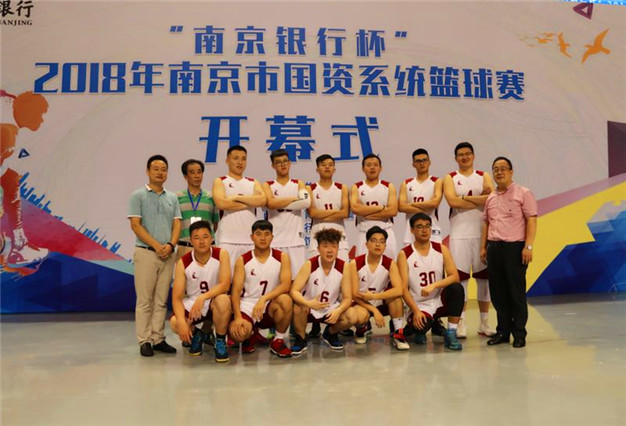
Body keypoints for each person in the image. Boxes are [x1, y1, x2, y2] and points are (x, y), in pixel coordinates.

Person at [481, 157, 537, 348]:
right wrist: (483, 247)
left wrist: (528, 246)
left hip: (515, 249)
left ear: (511, 172)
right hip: (494, 248)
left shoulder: (523, 193)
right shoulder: (491, 197)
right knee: (498, 293)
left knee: (516, 292)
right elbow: (486, 223)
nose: (499, 172)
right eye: (495, 169)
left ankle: (519, 333)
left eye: (503, 168)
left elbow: (531, 220)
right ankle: (503, 332)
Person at [128, 154, 181, 357]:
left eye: (164, 169)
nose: (160, 173)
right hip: (146, 253)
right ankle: (144, 340)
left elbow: (177, 223)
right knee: (145, 300)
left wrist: (171, 245)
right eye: (156, 169)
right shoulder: (138, 196)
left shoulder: (172, 197)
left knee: (161, 300)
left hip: (168, 254)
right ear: (148, 171)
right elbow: (135, 225)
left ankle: (158, 338)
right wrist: (157, 246)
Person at [442, 142, 496, 338]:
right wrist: (478, 198)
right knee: (461, 280)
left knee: (484, 280)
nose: (464, 157)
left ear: (473, 156)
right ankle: (461, 322)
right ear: (455, 158)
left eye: (467, 154)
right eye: (460, 155)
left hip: (481, 234)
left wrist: (464, 198)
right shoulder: (450, 178)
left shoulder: (484, 176)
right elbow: (452, 201)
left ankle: (484, 323)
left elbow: (491, 198)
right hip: (459, 235)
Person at [396, 213, 464, 350]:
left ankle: (451, 333)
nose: (425, 230)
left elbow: (454, 276)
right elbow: (403, 289)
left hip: (438, 300)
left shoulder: (441, 249)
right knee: (420, 329)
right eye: (420, 227)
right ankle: (425, 325)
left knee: (457, 288)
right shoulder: (405, 254)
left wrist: (434, 285)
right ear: (412, 230)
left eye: (427, 226)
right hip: (419, 304)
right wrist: (416, 311)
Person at [228, 220, 294, 358]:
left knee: (286, 300)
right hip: (247, 305)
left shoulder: (282, 257)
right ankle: (250, 334)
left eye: (266, 234)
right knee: (238, 334)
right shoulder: (243, 260)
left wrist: (264, 299)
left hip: (270, 304)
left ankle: (278, 340)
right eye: (258, 234)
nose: (263, 238)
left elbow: (286, 285)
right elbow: (236, 292)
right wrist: (238, 317)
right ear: (252, 237)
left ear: (272, 237)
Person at [169, 220, 231, 362]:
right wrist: (182, 323)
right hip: (193, 304)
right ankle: (198, 333)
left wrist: (203, 298)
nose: (201, 241)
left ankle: (220, 340)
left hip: (214, 300)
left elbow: (225, 285)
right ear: (191, 241)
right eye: (196, 238)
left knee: (223, 300)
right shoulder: (183, 262)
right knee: (175, 322)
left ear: (211, 238)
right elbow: (177, 298)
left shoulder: (221, 254)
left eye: (205, 237)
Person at [0, 90, 49, 268]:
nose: (42, 120)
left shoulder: (12, 107)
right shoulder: (8, 132)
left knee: (12, 179)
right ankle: (18, 247)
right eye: (40, 115)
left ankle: (19, 245)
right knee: (11, 179)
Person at [289, 228, 358, 353]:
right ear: (318, 248)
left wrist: (338, 311)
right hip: (309, 307)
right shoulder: (310, 264)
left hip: (330, 308)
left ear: (338, 248)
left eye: (334, 246)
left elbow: (348, 298)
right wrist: (309, 303)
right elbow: (294, 291)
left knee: (352, 316)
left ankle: (330, 333)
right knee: (299, 306)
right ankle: (301, 338)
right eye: (325, 246)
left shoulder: (344, 266)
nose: (330, 250)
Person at [351, 226, 409, 350]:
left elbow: (399, 289)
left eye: (382, 241)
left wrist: (375, 296)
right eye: (374, 240)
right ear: (366, 244)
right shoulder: (355, 263)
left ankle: (398, 334)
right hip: (362, 302)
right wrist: (374, 310)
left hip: (380, 300)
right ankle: (362, 328)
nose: (378, 244)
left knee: (396, 300)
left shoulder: (390, 263)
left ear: (385, 246)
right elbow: (354, 294)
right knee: (360, 315)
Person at [212, 146, 267, 271]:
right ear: (227, 161)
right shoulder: (220, 181)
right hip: (228, 239)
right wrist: (250, 202)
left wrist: (235, 197)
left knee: (251, 276)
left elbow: (262, 200)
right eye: (236, 158)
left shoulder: (253, 182)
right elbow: (221, 203)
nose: (240, 162)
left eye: (243, 159)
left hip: (250, 239)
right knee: (227, 277)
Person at [262, 149, 310, 275]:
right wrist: (295, 199)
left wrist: (278, 201)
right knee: (276, 279)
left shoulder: (298, 183)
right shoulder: (268, 185)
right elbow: (270, 204)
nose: (283, 165)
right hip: (275, 241)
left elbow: (305, 202)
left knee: (297, 279)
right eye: (278, 162)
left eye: (285, 161)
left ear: (289, 163)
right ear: (273, 166)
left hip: (296, 241)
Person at [351, 154, 398, 258]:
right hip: (364, 232)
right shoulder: (357, 187)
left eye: (375, 165)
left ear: (381, 168)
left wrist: (366, 213)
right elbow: (355, 208)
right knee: (362, 265)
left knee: (389, 264)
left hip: (385, 231)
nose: (372, 168)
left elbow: (393, 211)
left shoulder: (389, 186)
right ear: (363, 168)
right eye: (368, 165)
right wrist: (382, 208)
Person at [307, 154, 350, 261]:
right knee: (316, 268)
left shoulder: (342, 188)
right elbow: (312, 213)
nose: (327, 167)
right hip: (317, 232)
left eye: (330, 165)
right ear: (317, 169)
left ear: (334, 169)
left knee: (342, 268)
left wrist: (321, 214)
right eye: (323, 165)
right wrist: (336, 212)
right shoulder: (310, 189)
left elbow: (345, 213)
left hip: (339, 232)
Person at [176, 159, 219, 261]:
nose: (197, 176)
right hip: (185, 247)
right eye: (192, 172)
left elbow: (215, 224)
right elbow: (174, 224)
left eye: (199, 172)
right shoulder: (177, 198)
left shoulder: (211, 197)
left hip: (208, 248)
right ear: (185, 176)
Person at [398, 148, 443, 245]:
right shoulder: (406, 183)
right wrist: (427, 205)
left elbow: (434, 204)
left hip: (432, 230)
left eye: (424, 160)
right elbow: (401, 207)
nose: (422, 163)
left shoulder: (437, 181)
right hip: (411, 232)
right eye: (418, 161)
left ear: (429, 162)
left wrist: (412, 205)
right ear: (413, 164)